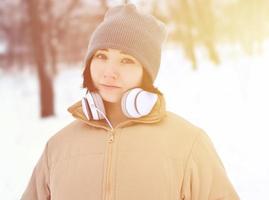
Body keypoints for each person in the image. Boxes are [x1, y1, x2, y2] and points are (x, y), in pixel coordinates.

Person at [21, 3, 239, 200]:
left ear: (147, 73)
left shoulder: (189, 143)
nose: (109, 72)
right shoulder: (58, 147)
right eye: (101, 56)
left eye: (127, 60)